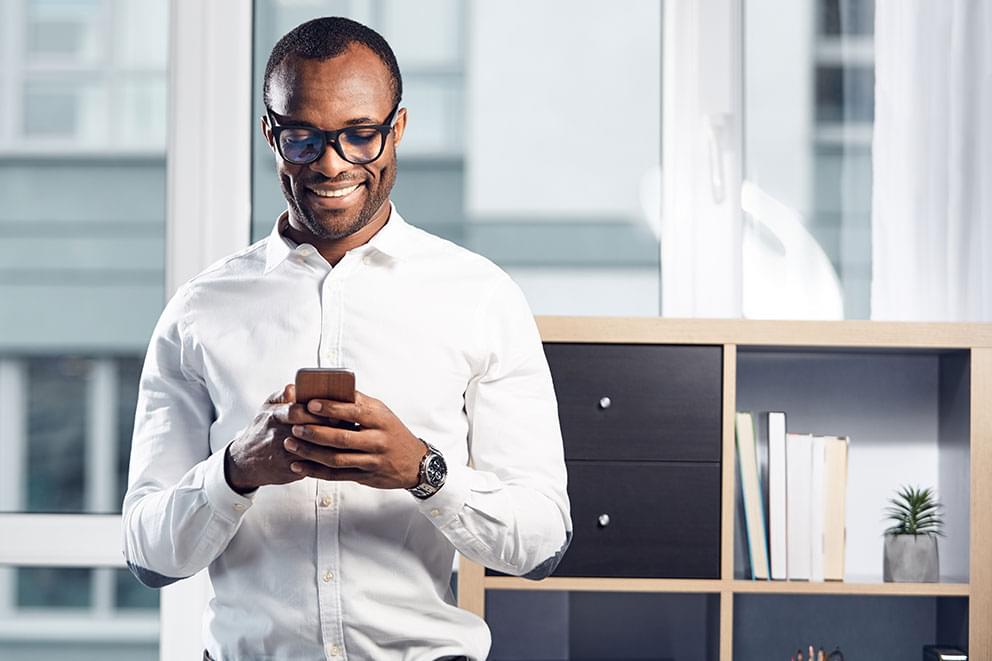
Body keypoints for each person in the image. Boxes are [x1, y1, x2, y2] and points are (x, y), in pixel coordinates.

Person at [122, 15, 571, 661]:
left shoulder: (480, 297)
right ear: (270, 135)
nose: (332, 165)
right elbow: (148, 553)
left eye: (360, 135)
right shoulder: (200, 311)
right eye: (303, 138)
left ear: (398, 129)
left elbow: (540, 544)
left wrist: (424, 470)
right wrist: (237, 470)